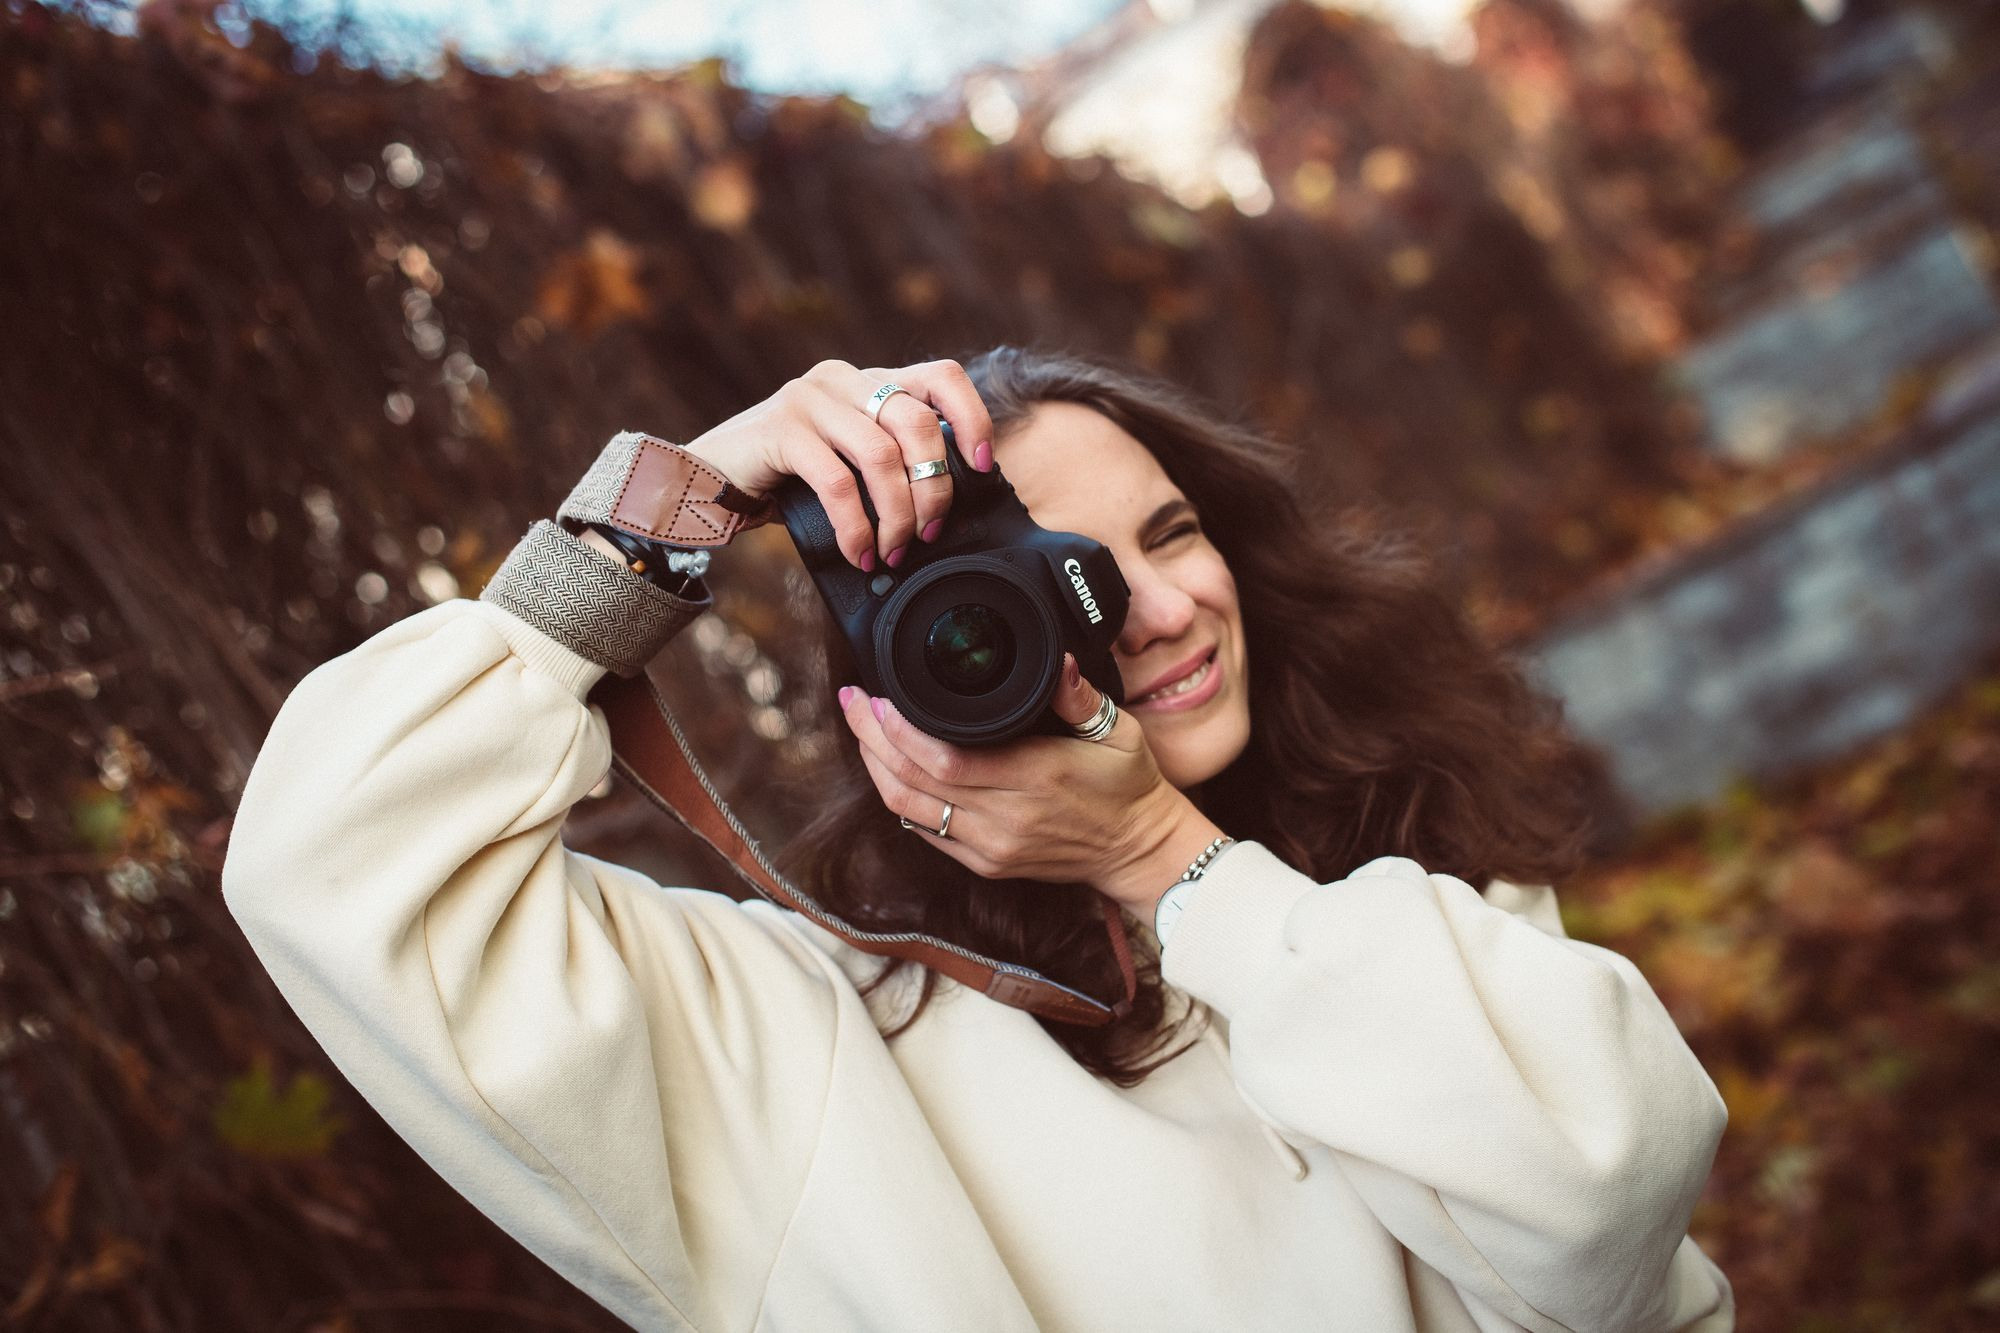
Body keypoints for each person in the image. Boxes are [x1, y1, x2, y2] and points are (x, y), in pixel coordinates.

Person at [222, 346, 1735, 1331]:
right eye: (1044, 579)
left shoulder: (1402, 891)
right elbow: (335, 864)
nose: (1149, 612)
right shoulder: (809, 1039)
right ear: (897, 670)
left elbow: (1601, 1207)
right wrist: (672, 504)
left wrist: (1160, 856)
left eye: (1169, 534)